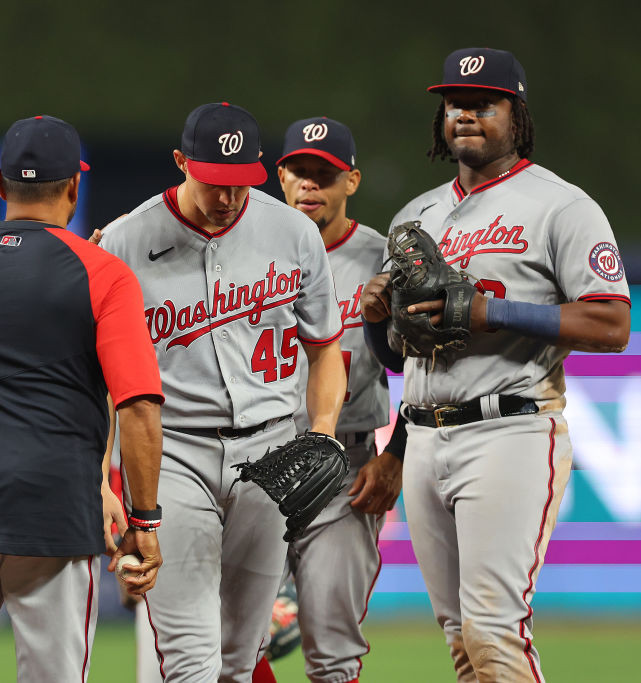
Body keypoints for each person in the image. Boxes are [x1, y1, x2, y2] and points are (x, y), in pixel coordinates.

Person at [361, 48, 630, 681]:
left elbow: (613, 323)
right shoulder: (415, 216)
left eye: (485, 102)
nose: (466, 114)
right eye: (456, 103)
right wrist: (378, 320)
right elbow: (399, 360)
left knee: (493, 629)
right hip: (425, 436)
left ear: (517, 114)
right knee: (461, 641)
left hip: (510, 427)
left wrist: (496, 314)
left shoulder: (561, 206)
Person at [0, 114, 164, 683]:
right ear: (75, 188)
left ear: (0, 186)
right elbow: (139, 404)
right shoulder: (104, 273)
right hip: (50, 505)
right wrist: (144, 518)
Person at [98, 102, 346, 683]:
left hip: (272, 452)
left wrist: (323, 431)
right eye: (213, 182)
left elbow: (325, 349)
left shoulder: (293, 233)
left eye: (240, 183)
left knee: (242, 655)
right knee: (189, 657)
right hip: (173, 454)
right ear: (182, 162)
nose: (228, 198)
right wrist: (104, 477)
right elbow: (99, 382)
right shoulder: (124, 242)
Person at [270, 116, 405, 683]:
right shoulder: (243, 250)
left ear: (351, 181)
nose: (309, 185)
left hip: (346, 468)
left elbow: (420, 369)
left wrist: (397, 451)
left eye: (323, 174)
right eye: (299, 171)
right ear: (280, 176)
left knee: (333, 649)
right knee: (233, 645)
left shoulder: (386, 260)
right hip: (253, 463)